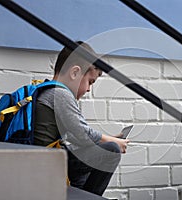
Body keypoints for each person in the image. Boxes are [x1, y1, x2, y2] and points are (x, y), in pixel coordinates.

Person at [33, 41, 129, 196]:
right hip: (47, 165)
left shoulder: (47, 89)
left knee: (87, 157)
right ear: (75, 73)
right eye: (90, 82)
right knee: (112, 151)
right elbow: (82, 135)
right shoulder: (60, 94)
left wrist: (108, 138)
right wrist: (112, 142)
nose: (89, 89)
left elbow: (76, 137)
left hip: (46, 161)